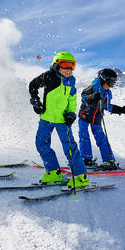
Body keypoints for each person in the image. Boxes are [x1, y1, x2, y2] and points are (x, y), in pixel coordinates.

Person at [29, 52, 89, 187]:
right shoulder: (48, 76)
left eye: (72, 66)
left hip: (62, 120)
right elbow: (32, 85)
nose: (69, 69)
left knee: (69, 147)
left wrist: (71, 113)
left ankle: (80, 176)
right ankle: (54, 173)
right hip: (46, 118)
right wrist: (35, 101)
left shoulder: (71, 80)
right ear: (56, 65)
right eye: (65, 65)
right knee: (41, 144)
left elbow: (72, 100)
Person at [78, 68, 125, 170]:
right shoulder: (93, 87)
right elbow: (84, 98)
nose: (110, 86)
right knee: (84, 136)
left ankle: (108, 160)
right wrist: (94, 96)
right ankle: (86, 159)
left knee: (101, 138)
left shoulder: (107, 93)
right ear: (102, 79)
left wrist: (121, 109)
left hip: (97, 118)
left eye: (113, 84)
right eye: (109, 83)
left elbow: (107, 106)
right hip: (85, 115)